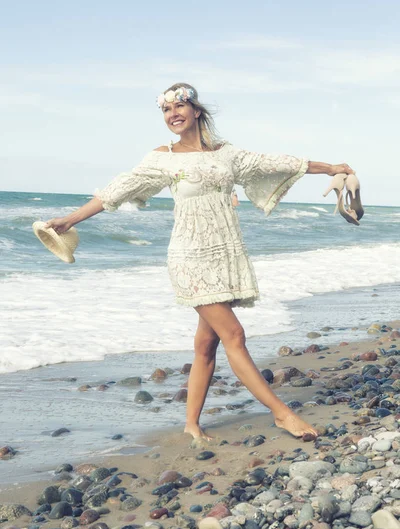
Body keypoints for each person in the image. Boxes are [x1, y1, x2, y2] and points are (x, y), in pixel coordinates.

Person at [46, 82, 355, 441]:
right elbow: (117, 191)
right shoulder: (162, 158)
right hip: (189, 257)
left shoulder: (226, 154)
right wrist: (70, 220)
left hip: (224, 254)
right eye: (165, 110)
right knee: (234, 334)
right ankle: (282, 413)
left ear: (195, 111)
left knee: (206, 344)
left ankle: (191, 424)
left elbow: (277, 162)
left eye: (179, 107)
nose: (172, 115)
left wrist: (330, 166)